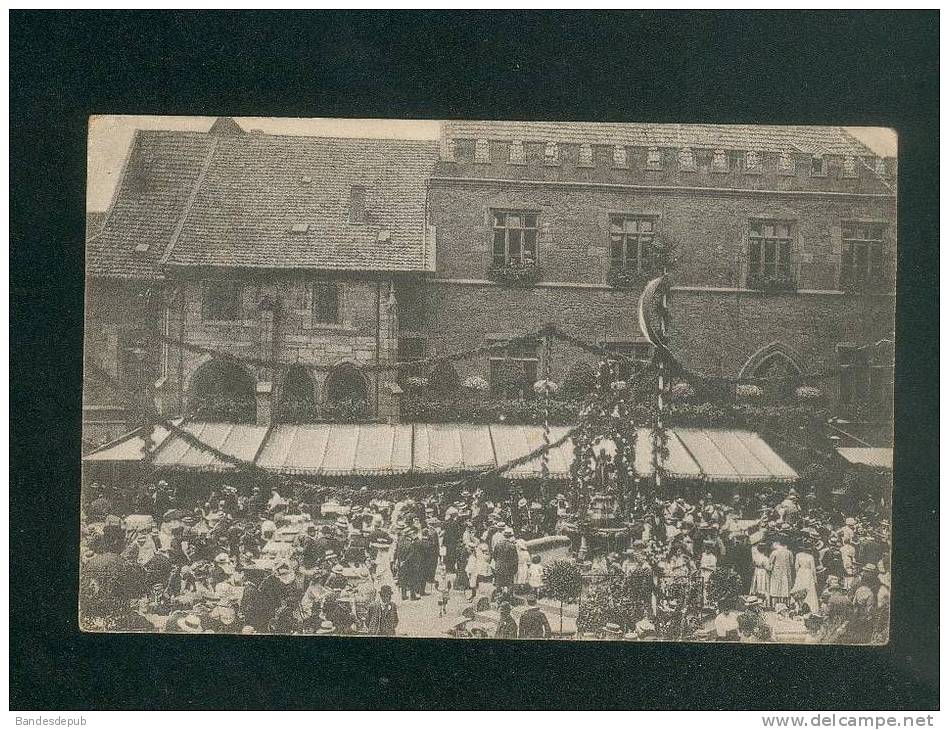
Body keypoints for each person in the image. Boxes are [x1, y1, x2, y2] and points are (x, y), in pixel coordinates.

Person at [791, 544, 819, 612]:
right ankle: (807, 606)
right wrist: (815, 580)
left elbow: (796, 567)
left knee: (799, 588)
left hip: (801, 572)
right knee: (809, 589)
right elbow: (813, 569)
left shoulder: (798, 555)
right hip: (808, 573)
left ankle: (798, 606)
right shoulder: (810, 557)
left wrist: (798, 574)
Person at [768, 540, 793, 608]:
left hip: (777, 571)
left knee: (776, 586)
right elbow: (791, 563)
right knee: (785, 586)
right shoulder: (789, 552)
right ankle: (786, 603)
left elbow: (770, 562)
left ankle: (774, 604)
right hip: (786, 571)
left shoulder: (774, 552)